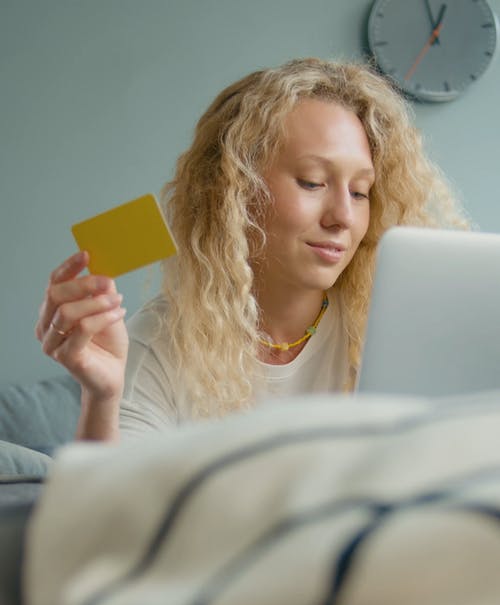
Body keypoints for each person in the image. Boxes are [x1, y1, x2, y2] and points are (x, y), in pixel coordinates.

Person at [35, 57, 468, 441]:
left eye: (359, 192)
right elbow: (112, 522)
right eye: (313, 182)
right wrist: (103, 397)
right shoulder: (160, 344)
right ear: (235, 192)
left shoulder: (390, 332)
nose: (343, 216)